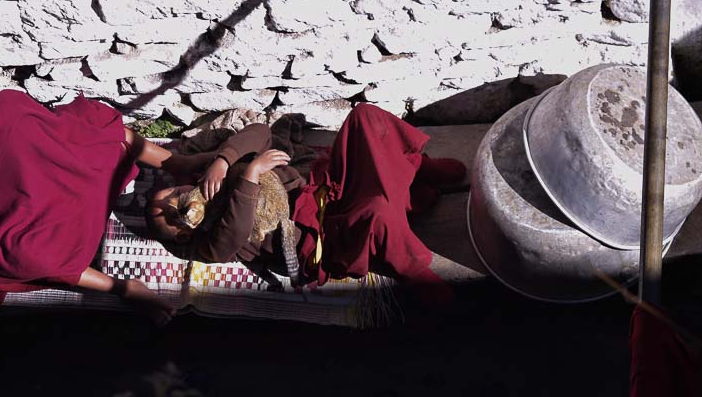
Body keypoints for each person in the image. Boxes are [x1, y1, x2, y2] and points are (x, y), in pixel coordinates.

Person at [0, 87, 206, 325]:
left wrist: (125, 288)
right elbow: (100, 128)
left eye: (176, 218)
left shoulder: (74, 239)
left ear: (181, 237)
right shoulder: (105, 158)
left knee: (34, 254)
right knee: (19, 124)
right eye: (181, 198)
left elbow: (47, 263)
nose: (170, 207)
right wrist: (177, 161)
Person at [146, 103, 466, 307]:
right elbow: (235, 233)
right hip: (322, 231)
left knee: (364, 118)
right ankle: (412, 269)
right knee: (377, 213)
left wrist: (222, 159)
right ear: (184, 234)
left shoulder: (208, 175)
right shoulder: (210, 243)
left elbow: (259, 132)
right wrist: (252, 172)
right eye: (172, 215)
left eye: (174, 193)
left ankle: (420, 169)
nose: (179, 201)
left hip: (323, 188)